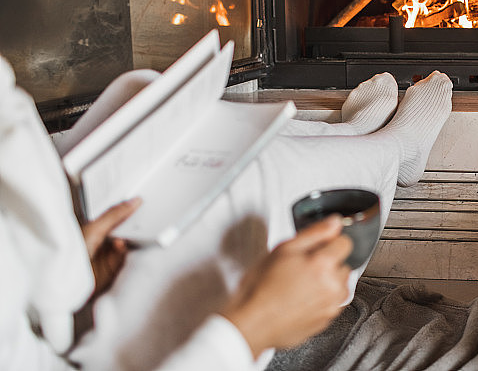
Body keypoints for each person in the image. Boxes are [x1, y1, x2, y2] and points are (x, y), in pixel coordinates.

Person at [0, 53, 453, 371]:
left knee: (144, 107)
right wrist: (250, 329)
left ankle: (357, 134)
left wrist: (63, 262)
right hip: (73, 328)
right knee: (236, 192)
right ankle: (396, 147)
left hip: (55, 261)